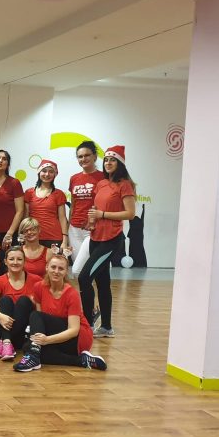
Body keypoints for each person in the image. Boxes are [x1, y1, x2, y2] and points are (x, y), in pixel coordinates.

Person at [14, 253, 108, 372]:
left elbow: (73, 330)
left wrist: (47, 340)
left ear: (65, 272)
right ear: (46, 267)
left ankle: (33, 356)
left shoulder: (71, 294)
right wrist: (40, 340)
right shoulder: (39, 287)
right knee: (28, 347)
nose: (56, 271)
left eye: (61, 269)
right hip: (58, 333)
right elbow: (41, 323)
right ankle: (81, 361)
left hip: (78, 338)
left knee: (35, 317)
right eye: (53, 267)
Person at [80, 145, 136, 339]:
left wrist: (102, 214)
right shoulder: (102, 183)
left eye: (113, 160)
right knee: (102, 283)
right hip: (96, 237)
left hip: (111, 239)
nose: (108, 163)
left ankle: (87, 324)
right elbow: (96, 208)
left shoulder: (125, 184)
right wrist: (91, 221)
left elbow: (130, 214)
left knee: (84, 278)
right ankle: (106, 327)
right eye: (106, 160)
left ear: (120, 163)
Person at [0, 246, 42, 360]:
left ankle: (4, 341)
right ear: (5, 261)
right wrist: (0, 316)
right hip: (3, 326)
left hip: (23, 332)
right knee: (5, 300)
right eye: (11, 259)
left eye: (19, 259)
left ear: (24, 261)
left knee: (24, 301)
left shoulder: (36, 280)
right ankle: (6, 342)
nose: (15, 262)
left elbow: (41, 307)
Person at [68, 141, 106, 262]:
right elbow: (73, 204)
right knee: (78, 267)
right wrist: (69, 225)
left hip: (94, 228)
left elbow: (107, 204)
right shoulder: (74, 178)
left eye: (87, 155)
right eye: (80, 156)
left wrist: (94, 221)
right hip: (74, 229)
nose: (83, 159)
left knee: (93, 266)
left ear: (95, 156)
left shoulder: (104, 177)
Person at [23, 159, 69, 251]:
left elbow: (62, 218)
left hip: (54, 237)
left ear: (55, 174)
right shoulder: (29, 192)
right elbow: (26, 217)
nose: (47, 174)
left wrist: (65, 241)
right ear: (39, 172)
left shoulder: (59, 194)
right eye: (44, 171)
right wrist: (24, 235)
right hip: (33, 236)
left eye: (51, 172)